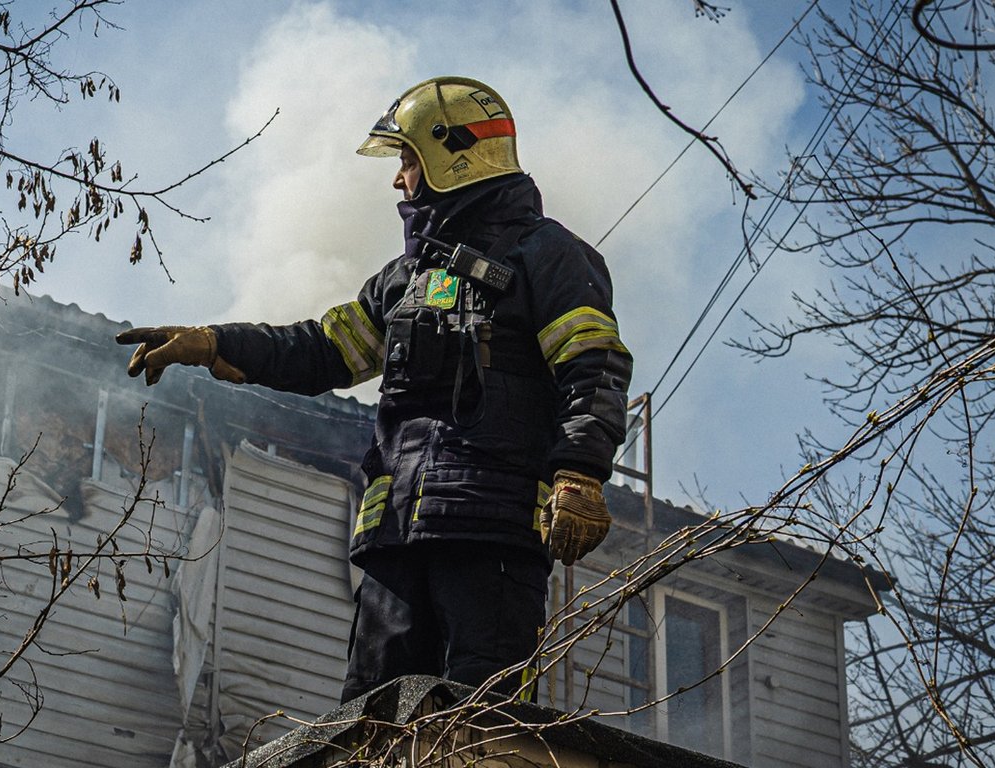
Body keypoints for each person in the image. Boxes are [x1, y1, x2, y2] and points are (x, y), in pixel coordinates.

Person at [116, 76, 632, 702]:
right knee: (369, 729)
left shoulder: (547, 256)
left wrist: (579, 471)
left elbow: (593, 363)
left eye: (408, 161)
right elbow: (320, 350)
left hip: (491, 535)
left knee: (480, 729)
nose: (398, 181)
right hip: (395, 545)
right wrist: (216, 342)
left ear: (452, 156)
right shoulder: (404, 281)